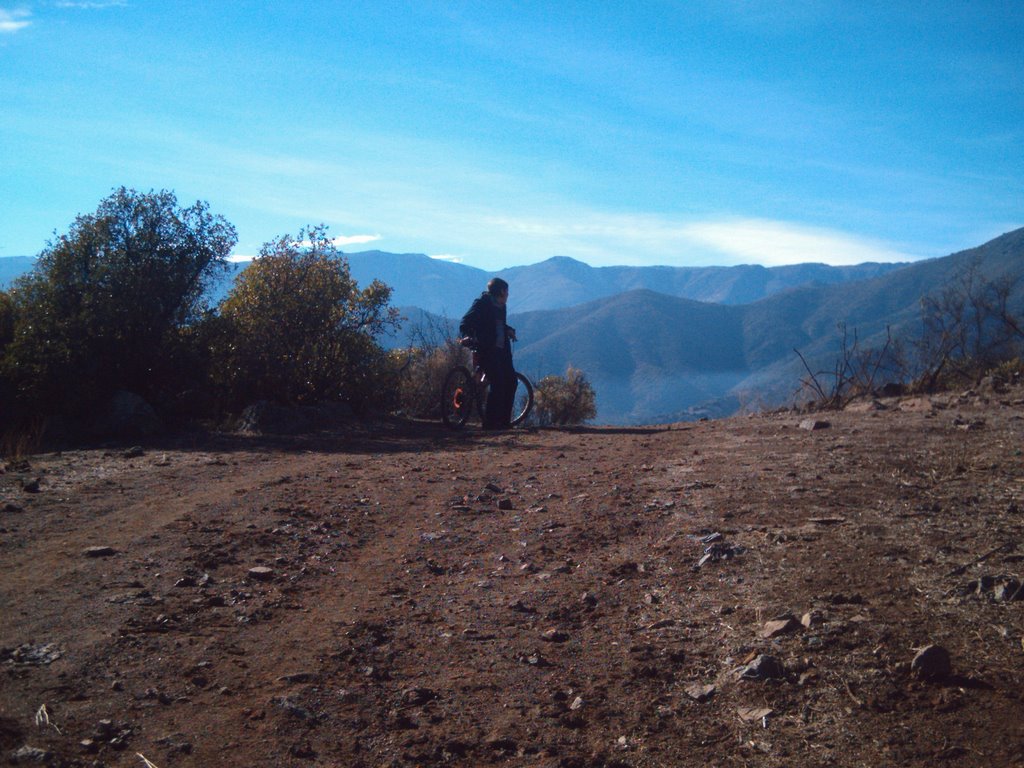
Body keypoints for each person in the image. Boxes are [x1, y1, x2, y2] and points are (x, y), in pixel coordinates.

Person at [459, 277, 518, 429]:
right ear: (501, 291)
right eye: (507, 291)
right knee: (498, 383)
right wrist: (468, 336)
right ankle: (490, 423)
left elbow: (498, 325)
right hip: (486, 349)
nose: (508, 295)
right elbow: (465, 322)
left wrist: (508, 330)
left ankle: (504, 421)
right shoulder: (482, 304)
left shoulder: (501, 306)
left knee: (511, 381)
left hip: (502, 351)